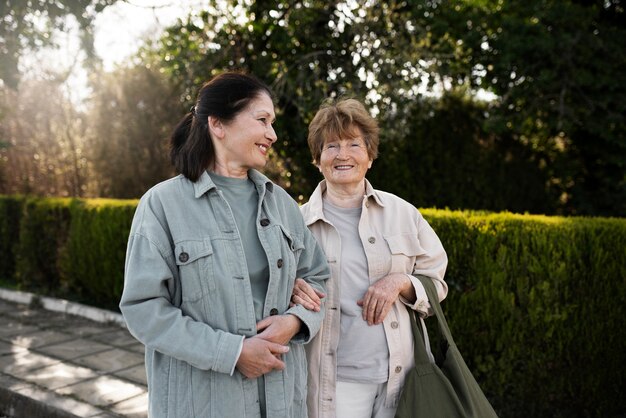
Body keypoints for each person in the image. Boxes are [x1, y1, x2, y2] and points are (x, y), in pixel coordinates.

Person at [119, 71, 329, 418]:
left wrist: (295, 322)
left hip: (281, 402)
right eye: (262, 120)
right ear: (218, 124)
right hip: (201, 404)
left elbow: (318, 277)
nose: (272, 134)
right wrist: (232, 352)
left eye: (272, 123)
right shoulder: (161, 205)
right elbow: (143, 309)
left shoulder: (283, 205)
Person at [291, 98, 449, 418]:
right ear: (317, 159)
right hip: (335, 384)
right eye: (331, 146)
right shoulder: (295, 224)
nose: (343, 154)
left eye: (354, 144)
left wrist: (400, 282)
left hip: (401, 378)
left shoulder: (404, 214)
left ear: (370, 156)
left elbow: (436, 285)